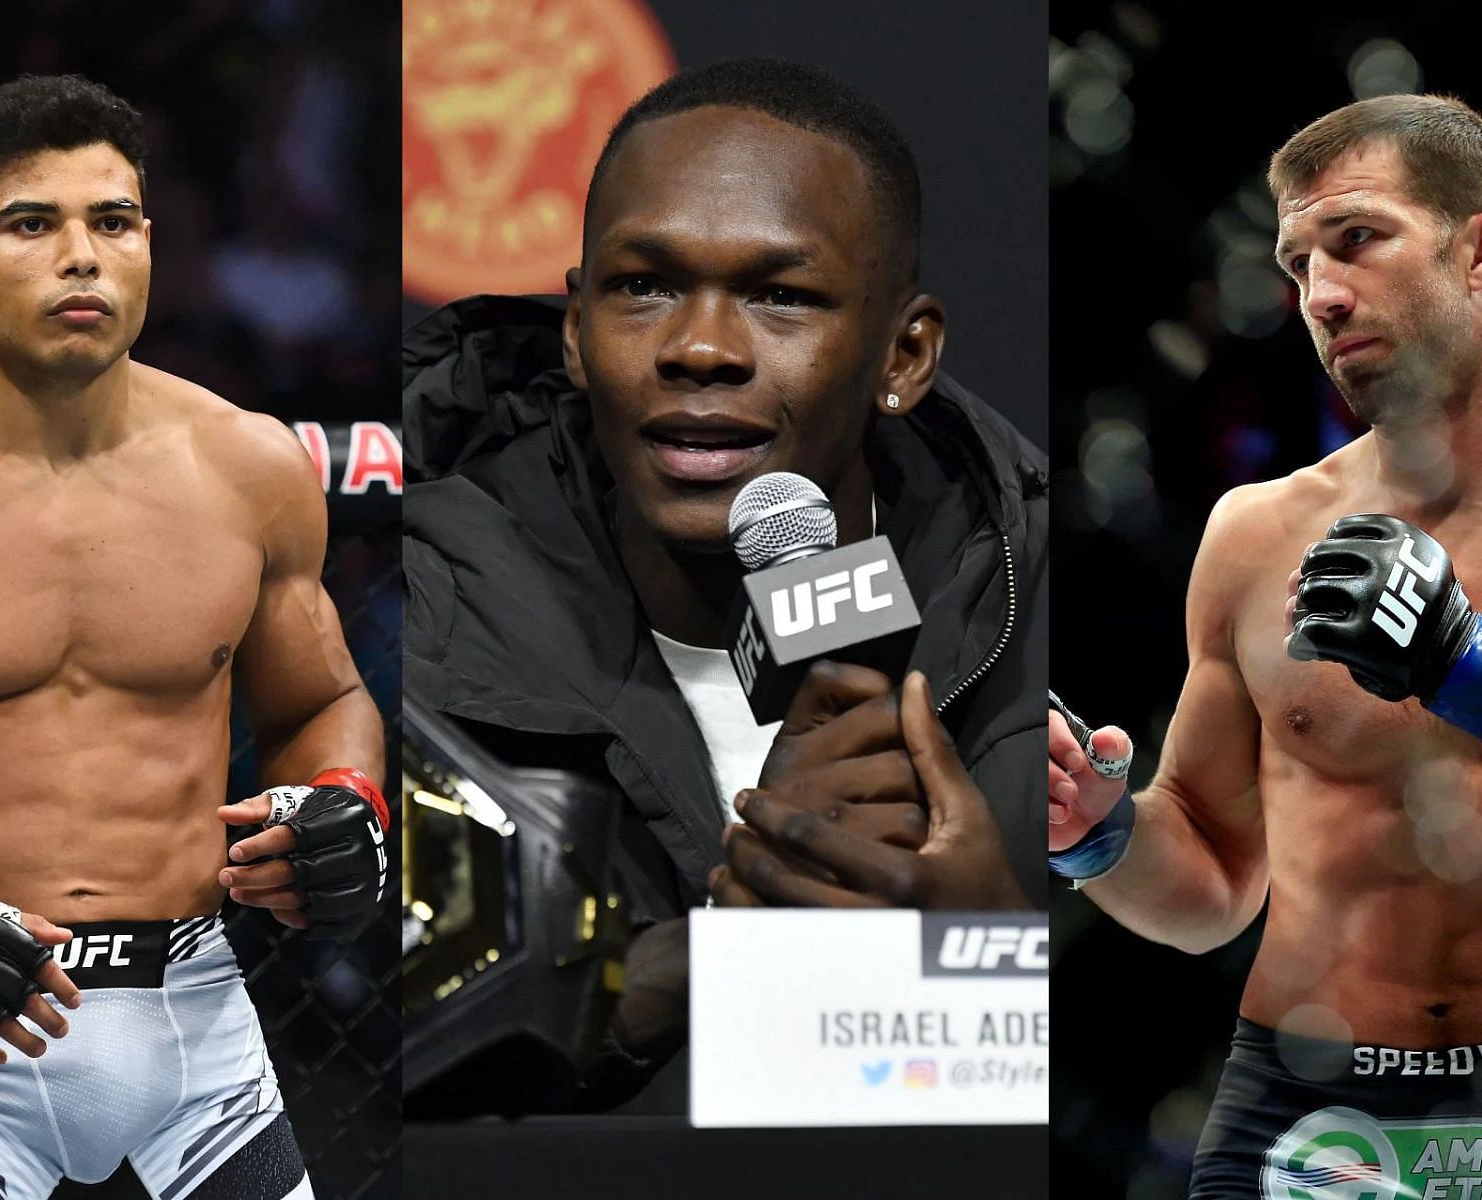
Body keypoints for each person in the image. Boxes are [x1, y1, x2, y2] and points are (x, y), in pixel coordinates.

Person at [1050, 93, 1482, 1197]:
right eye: (1296, 265)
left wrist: (1473, 667)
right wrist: (1097, 834)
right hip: (1300, 1123)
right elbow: (1208, 879)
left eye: (1354, 240)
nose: (1321, 296)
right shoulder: (1256, 537)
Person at [0, 75, 386, 1199]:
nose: (81, 256)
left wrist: (347, 799)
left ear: (149, 242)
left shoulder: (247, 466)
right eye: (31, 224)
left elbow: (322, 701)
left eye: (110, 222)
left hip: (199, 1045)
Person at [405, 57, 1049, 1106]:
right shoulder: (408, 613)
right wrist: (706, 963)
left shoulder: (1048, 599)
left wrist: (994, 961)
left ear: (903, 355)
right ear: (575, 331)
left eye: (781, 297)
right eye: (644, 287)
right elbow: (346, 1069)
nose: (701, 348)